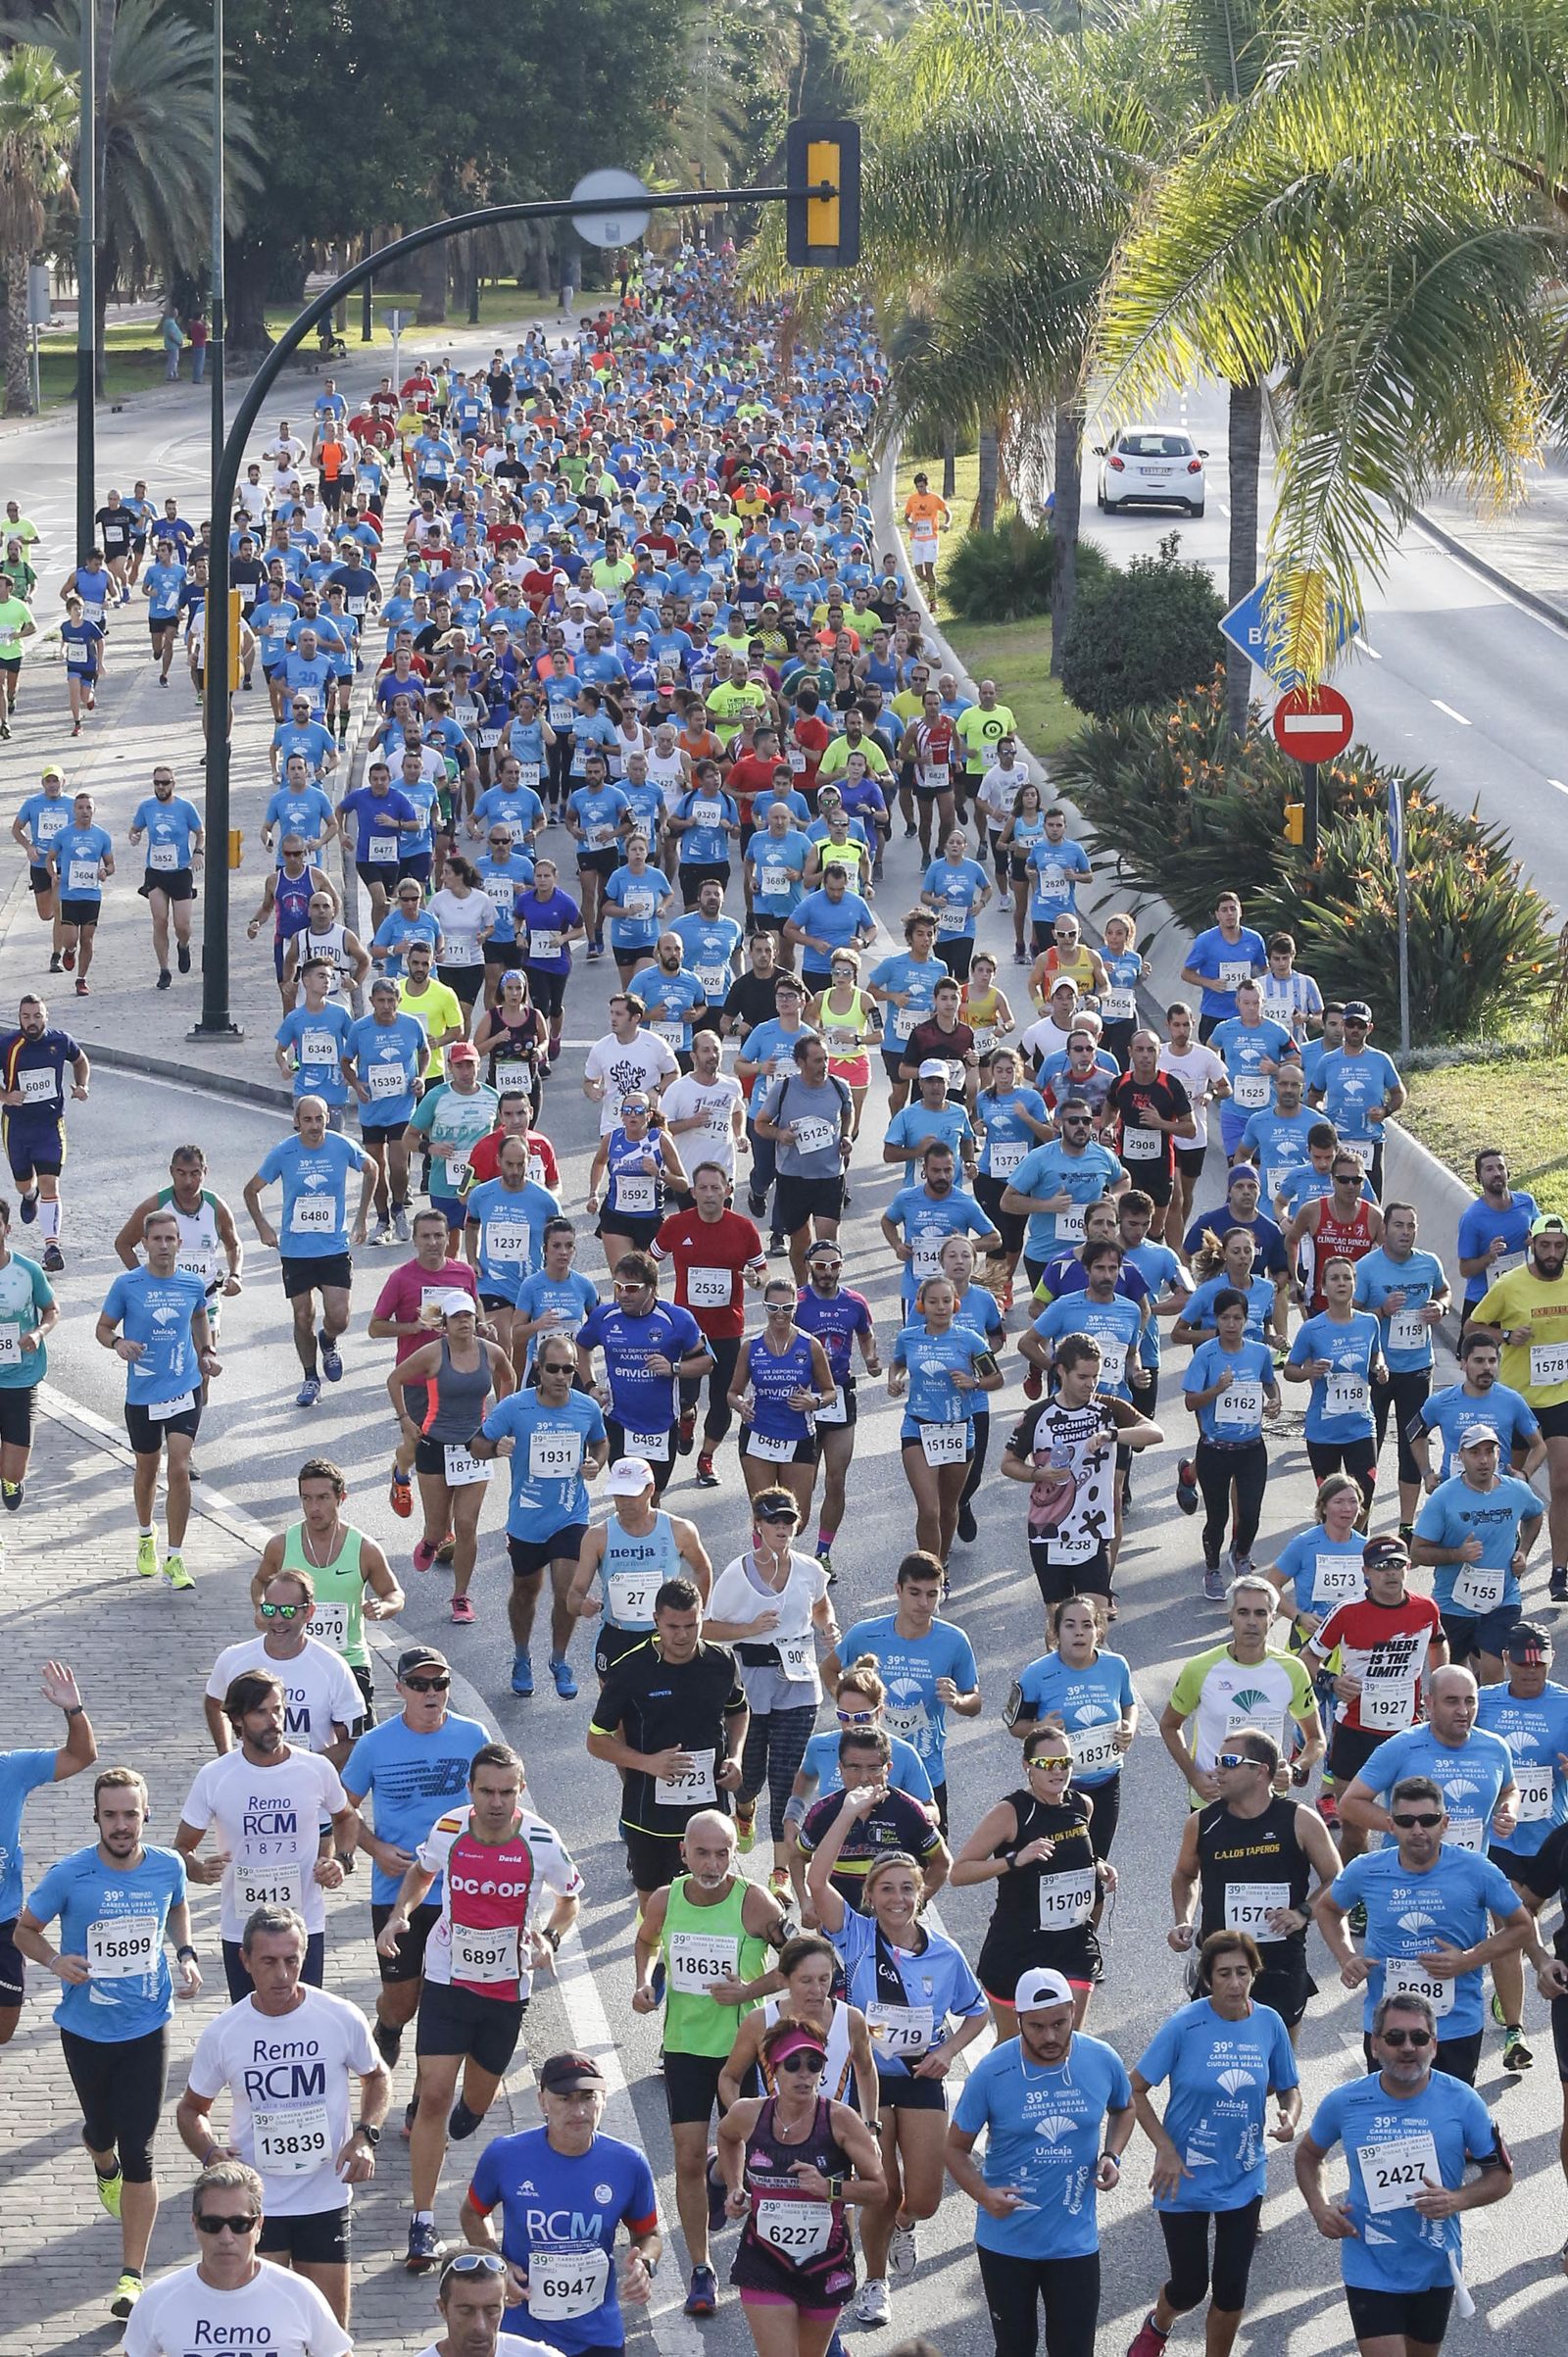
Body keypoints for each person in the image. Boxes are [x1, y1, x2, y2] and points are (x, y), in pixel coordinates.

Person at [377, 1743, 582, 2272]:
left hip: (506, 1991)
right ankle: (423, 2221)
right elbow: (422, 1873)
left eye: (507, 1792)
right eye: (487, 1791)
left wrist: (551, 1940)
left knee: (474, 2104)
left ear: (520, 1789)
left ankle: (467, 2115)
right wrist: (402, 1913)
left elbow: (569, 1898)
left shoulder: (540, 1839)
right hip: (447, 1978)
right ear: (470, 1790)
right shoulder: (448, 1829)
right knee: (434, 2098)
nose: (496, 1802)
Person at [14, 1763, 192, 2322]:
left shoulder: (168, 1866)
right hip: (85, 2029)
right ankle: (101, 2161)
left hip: (147, 2025)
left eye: (131, 1814)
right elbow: (23, 1929)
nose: (121, 1825)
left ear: (146, 1816)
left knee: (139, 2148)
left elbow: (179, 1906)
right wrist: (53, 1960)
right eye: (111, 1815)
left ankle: (131, 2276)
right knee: (100, 2131)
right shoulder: (71, 1875)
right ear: (96, 1818)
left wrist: (184, 1953)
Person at [805, 1822, 988, 2329]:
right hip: (869, 2081)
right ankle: (875, 2281)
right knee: (881, 2188)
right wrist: (849, 1812)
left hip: (922, 2077)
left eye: (907, 1887)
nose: (898, 1898)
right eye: (886, 1889)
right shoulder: (856, 1935)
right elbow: (817, 1883)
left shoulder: (944, 1954)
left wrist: (948, 2052)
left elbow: (977, 2013)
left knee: (924, 2198)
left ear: (922, 1893)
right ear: (869, 1895)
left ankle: (904, 2224)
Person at [176, 1905, 388, 2327]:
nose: (282, 1974)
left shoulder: (339, 2016)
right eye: (269, 1961)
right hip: (254, 2206)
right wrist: (211, 2154)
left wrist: (365, 2135)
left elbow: (377, 2077)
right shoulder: (225, 2032)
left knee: (328, 2334)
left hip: (324, 2197)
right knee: (260, 2331)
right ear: (245, 1961)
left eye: (292, 1960)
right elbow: (190, 2111)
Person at [1295, 1990, 1513, 2357]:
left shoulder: (1463, 2102)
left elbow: (1502, 2177)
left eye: (1419, 2037)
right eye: (1395, 2038)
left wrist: (1457, 2199)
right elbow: (1307, 2156)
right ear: (1375, 2045)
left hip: (1436, 2262)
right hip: (1369, 2261)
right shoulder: (1345, 2102)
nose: (1408, 2047)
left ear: (1434, 2045)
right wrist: (1320, 2209)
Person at [632, 1810, 789, 2316]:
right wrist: (644, 1983)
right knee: (684, 2158)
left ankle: (726, 2176)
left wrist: (750, 1990)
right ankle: (702, 2269)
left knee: (754, 2153)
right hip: (685, 2047)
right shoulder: (666, 1899)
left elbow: (801, 1960)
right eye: (703, 1852)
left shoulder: (754, 1901)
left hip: (744, 2049)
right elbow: (646, 1941)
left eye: (724, 1852)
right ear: (684, 1852)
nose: (714, 1863)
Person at [1124, 1932, 1300, 2357]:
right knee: (1189, 2286)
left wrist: (1289, 2118)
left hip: (1243, 2172)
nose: (1235, 1983)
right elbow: (1135, 2089)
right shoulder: (1186, 2024)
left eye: (1242, 1972)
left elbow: (1289, 2088)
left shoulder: (1270, 2023)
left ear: (1254, 1975)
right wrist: (1164, 2149)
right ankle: (1159, 2323)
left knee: (1230, 2291)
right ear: (1208, 1979)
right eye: (1224, 1974)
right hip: (1183, 2174)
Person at [947, 1966, 1134, 2357]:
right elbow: (954, 2149)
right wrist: (984, 2194)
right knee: (1015, 2349)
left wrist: (1112, 2154)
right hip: (1006, 2242)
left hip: (1074, 2242)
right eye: (1036, 2027)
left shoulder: (1100, 2059)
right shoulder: (993, 2071)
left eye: (1059, 2023)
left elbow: (1125, 2106)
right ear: (1018, 2021)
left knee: (1074, 2350)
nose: (1050, 2036)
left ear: (1071, 2011)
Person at [1314, 1771, 1531, 2084]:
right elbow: (1328, 1908)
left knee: (1449, 2125)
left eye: (1428, 1820)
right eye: (1405, 1822)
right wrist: (1346, 1957)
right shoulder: (1368, 1869)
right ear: (1390, 1825)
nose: (1418, 1829)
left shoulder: (1477, 1870)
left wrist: (1469, 1959)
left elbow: (1522, 1927)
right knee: (1392, 2120)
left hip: (1454, 2026)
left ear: (1444, 1823)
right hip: (1387, 2029)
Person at [339, 1644, 489, 2085]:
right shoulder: (374, 1745)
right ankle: (386, 2027)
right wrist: (374, 1849)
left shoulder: (473, 1736)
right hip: (397, 1891)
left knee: (447, 2005)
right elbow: (341, 1809)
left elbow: (499, 1799)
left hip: (462, 1892)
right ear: (400, 1688)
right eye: (420, 1685)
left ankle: (425, 2102)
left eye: (439, 1684)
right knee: (404, 2001)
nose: (431, 1693)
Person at [175, 1671, 358, 2003]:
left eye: (278, 1710)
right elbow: (182, 1849)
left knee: (305, 2018)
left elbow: (346, 1817)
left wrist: (341, 1861)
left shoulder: (316, 1768)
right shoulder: (214, 1777)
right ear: (237, 1719)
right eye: (261, 1712)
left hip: (304, 1925)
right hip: (242, 1927)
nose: (273, 1720)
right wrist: (198, 1871)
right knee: (250, 2020)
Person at [460, 2048, 662, 2346]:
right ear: (542, 2101)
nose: (579, 2111)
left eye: (588, 2098)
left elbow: (649, 2235)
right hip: (521, 2334)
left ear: (603, 2099)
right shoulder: (505, 2155)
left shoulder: (629, 2163)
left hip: (598, 2336)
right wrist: (497, 2263)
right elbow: (472, 2213)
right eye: (565, 2099)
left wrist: (645, 2264)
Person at [717, 2018, 885, 2351]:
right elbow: (726, 2135)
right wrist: (735, 2186)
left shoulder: (840, 2120)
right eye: (793, 2064)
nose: (804, 2074)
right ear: (774, 2069)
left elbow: (880, 2190)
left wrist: (831, 2189)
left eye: (814, 2064)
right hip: (765, 2259)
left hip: (825, 2263)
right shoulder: (749, 2114)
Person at [1166, 1727, 1341, 2040]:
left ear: (1260, 1771)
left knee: (1277, 2074)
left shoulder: (1299, 1820)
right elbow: (1184, 1876)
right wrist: (1184, 1920)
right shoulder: (1202, 1823)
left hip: (1280, 1962)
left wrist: (1302, 1912)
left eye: (1229, 1761)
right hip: (1221, 1965)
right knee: (1218, 2062)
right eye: (1218, 1760)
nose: (1217, 1769)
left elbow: (1337, 1878)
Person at [586, 1576, 750, 1903]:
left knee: (709, 1901)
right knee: (654, 1904)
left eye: (691, 1625)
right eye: (672, 1626)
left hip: (708, 1814)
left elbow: (738, 1711)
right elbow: (597, 1739)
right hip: (649, 1816)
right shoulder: (630, 1669)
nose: (682, 1635)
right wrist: (648, 1763)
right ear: (656, 1620)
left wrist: (736, 1756)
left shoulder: (721, 1662)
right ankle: (657, 1955)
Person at [706, 1488, 837, 1891]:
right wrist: (747, 1629)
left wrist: (826, 1625)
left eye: (788, 1522)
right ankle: (744, 1809)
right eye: (774, 1522)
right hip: (751, 1683)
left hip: (798, 1684)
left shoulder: (809, 1569)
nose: (782, 1529)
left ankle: (780, 1871)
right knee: (750, 1776)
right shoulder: (736, 1574)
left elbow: (820, 1604)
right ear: (757, 1526)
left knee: (786, 1778)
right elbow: (706, 1629)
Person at [468, 1333, 610, 1698]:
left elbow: (600, 1440)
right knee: (525, 1591)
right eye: (553, 1369)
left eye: (568, 1369)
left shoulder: (586, 1408)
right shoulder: (515, 1407)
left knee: (568, 1592)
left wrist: (596, 1462)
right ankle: (521, 1656)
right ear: (537, 1367)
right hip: (527, 1519)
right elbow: (476, 1444)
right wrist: (496, 1447)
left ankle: (560, 1660)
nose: (562, 1376)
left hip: (570, 1514)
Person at [951, 1728, 1116, 2032]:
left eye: (1064, 1762)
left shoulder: (1082, 1805)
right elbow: (959, 1873)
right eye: (1047, 1764)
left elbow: (1075, 1857)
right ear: (1027, 1766)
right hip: (1018, 1946)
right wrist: (1014, 1860)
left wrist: (1098, 1866)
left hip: (1073, 1944)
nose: (1059, 1771)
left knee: (1066, 2042)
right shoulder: (1011, 1812)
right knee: (1015, 2048)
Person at [97, 1207, 220, 1588]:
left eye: (170, 1239)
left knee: (179, 1468)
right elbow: (102, 1328)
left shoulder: (191, 1285)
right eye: (157, 1239)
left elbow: (200, 1316)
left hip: (184, 1388)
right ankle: (146, 1535)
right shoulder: (127, 1285)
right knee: (147, 1469)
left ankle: (176, 1558)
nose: (164, 1246)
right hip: (143, 1394)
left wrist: (207, 1351)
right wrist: (118, 1343)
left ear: (180, 1244)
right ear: (146, 1243)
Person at [1302, 1531, 1446, 1851]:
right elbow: (1307, 1660)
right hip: (1355, 1731)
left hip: (1406, 1732)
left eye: (1398, 1564)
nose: (1391, 1572)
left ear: (1407, 1568)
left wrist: (1439, 1688)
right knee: (1354, 1831)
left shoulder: (1426, 1609)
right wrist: (1331, 1682)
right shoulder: (1347, 1612)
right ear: (1366, 1572)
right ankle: (1355, 1900)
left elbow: (1438, 1644)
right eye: (1382, 1566)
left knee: (1413, 1827)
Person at [1000, 1334, 1162, 1609]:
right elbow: (1008, 1463)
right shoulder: (1038, 1414)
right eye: (1083, 1377)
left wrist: (1112, 1434)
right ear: (1062, 1371)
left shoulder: (1108, 1408)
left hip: (1094, 1530)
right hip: (1049, 1531)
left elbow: (1155, 1433)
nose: (1091, 1384)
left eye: (1095, 1376)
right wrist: (1037, 1475)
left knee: (1095, 1615)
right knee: (1058, 1619)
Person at [1475, 1619, 1568, 2070]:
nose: (1532, 1672)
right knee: (1510, 1925)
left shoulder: (1566, 1704)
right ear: (1506, 1660)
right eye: (1523, 1663)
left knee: (1526, 1920)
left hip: (1552, 1840)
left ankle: (1515, 1991)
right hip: (1502, 1836)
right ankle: (1515, 2030)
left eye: (1541, 1663)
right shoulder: (1486, 1704)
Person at [242, 1097, 376, 1409]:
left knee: (340, 1317)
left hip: (333, 1247)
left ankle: (328, 1340)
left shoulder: (342, 1146)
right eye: (308, 1120)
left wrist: (361, 1217)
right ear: (297, 1121)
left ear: (328, 1118)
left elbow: (372, 1169)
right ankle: (310, 1378)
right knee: (303, 1315)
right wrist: (263, 1226)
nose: (315, 1126)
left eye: (320, 1119)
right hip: (296, 1250)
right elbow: (251, 1190)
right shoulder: (284, 1151)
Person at [389, 1294, 514, 1626]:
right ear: (444, 1324)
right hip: (434, 1445)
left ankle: (461, 1597)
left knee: (468, 1525)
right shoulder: (432, 1354)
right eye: (456, 1317)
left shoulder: (491, 1352)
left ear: (476, 1320)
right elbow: (395, 1379)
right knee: (439, 1527)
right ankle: (431, 1540)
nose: (463, 1322)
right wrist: (405, 1419)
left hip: (476, 1447)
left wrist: (500, 1417)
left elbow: (508, 1376)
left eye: (468, 1316)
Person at [1158, 1576, 1323, 1805]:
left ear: (1273, 1619)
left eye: (1261, 1613)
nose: (1252, 1622)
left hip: (1268, 1800)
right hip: (1213, 1798)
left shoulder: (1293, 1670)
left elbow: (1316, 1739)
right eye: (1243, 1612)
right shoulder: (1199, 1668)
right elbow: (1169, 1725)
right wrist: (1194, 1776)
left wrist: (1295, 1770)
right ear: (1230, 1617)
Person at [0, 1658, 96, 2047]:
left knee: (4, 2030)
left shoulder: (11, 1769)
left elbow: (81, 1756)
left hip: (4, 1923)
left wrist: (73, 1709)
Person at [1474, 1209, 1568, 1600]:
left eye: (1559, 1246)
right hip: (1517, 1400)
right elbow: (1473, 1326)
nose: (1551, 1252)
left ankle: (1560, 1569)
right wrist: (1507, 1334)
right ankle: (1507, 1555)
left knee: (1564, 1482)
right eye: (1544, 1245)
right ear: (1531, 1245)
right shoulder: (1510, 1285)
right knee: (1511, 1485)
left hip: (1561, 1396)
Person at [1353, 1202, 1449, 1534]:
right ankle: (1359, 1524)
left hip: (1417, 1367)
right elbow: (1350, 1314)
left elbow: (1445, 1291)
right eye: (1399, 1226)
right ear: (1385, 1230)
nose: (1406, 1232)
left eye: (1411, 1226)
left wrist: (1441, 1306)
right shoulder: (1367, 1267)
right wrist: (1380, 1310)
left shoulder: (1428, 1263)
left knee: (1413, 1443)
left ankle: (1407, 1525)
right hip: (1377, 1368)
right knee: (1369, 1447)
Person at [1182, 1284, 1283, 1600]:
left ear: (1245, 1320)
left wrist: (1276, 1400)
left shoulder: (1258, 1352)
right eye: (1224, 1318)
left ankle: (1241, 1555)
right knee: (1218, 1516)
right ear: (1216, 1319)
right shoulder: (1206, 1354)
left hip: (1251, 1447)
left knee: (1250, 1513)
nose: (1231, 1324)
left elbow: (1269, 1382)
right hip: (1215, 1448)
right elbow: (1190, 1402)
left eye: (1237, 1318)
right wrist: (1217, 1390)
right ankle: (1212, 1569)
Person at [203, 1567, 362, 1764]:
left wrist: (307, 1769)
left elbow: (353, 1741)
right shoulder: (234, 1659)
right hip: (249, 1783)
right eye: (270, 1609)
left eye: (288, 1611)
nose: (277, 1620)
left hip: (307, 1788)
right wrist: (226, 1756)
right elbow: (214, 1703)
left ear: (309, 1613)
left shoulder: (333, 1667)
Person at [1283, 1252, 1386, 1514]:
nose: (1341, 1283)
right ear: (1323, 1287)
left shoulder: (1369, 1322)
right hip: (1324, 1430)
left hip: (1361, 1425)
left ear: (1354, 1283)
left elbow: (1376, 1354)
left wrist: (1380, 1367)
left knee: (1362, 1500)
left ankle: (1359, 1550)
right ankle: (1330, 1550)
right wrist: (1309, 1371)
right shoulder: (1312, 1329)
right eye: (1334, 1278)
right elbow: (1289, 1370)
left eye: (1346, 1278)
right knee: (1332, 1505)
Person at [0, 991, 89, 1270]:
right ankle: (29, 1195)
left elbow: (80, 1060)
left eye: (37, 1016)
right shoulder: (7, 1045)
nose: (32, 1022)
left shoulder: (60, 1040)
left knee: (51, 1183)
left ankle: (52, 1246)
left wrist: (82, 1085)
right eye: (26, 1017)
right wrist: (5, 1096)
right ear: (19, 1019)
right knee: (25, 1183)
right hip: (17, 1126)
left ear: (46, 1017)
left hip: (50, 1126)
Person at [1456, 1146, 1537, 1334]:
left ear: (1508, 1172)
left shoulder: (1527, 1203)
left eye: (1500, 1167)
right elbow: (1465, 1269)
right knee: (1480, 1360)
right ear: (1479, 1178)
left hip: (1520, 1295)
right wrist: (1489, 1257)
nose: (1497, 1173)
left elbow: (1544, 1235)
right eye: (1489, 1169)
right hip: (1484, 1299)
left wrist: (1536, 1239)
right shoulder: (1472, 1217)